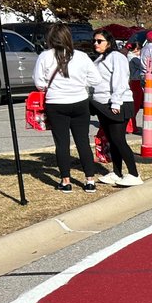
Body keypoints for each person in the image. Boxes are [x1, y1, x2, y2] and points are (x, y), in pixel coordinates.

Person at [33, 24, 99, 193]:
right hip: (79, 101)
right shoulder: (82, 56)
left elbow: (39, 83)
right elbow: (95, 79)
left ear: (50, 38)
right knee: (83, 142)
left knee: (62, 143)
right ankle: (90, 180)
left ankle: (65, 180)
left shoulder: (45, 56)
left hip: (56, 103)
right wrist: (81, 83)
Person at [90, 29, 142, 186]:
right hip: (102, 103)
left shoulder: (117, 57)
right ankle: (117, 172)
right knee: (111, 140)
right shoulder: (99, 59)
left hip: (117, 103)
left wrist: (116, 102)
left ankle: (134, 174)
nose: (96, 44)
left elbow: (120, 80)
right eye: (94, 41)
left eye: (99, 41)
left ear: (109, 42)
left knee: (119, 139)